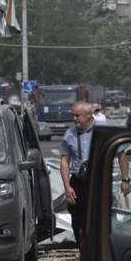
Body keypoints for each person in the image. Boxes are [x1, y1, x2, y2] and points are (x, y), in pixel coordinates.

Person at [59, 101, 97, 245]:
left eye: (78, 116)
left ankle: (96, 248)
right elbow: (64, 161)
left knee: (95, 217)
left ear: (89, 115)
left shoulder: (102, 131)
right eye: (73, 116)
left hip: (97, 181)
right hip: (78, 181)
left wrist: (125, 180)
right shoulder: (70, 133)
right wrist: (67, 187)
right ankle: (83, 248)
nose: (75, 119)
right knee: (77, 219)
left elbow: (120, 154)